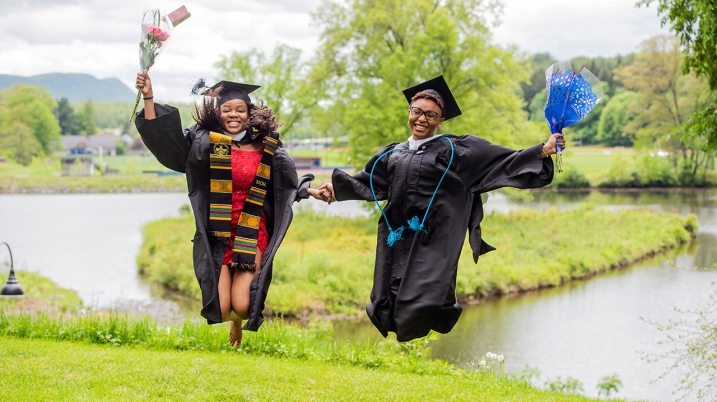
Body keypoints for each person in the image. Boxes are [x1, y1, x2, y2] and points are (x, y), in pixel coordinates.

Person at [319, 76, 563, 342]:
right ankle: (397, 328)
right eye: (417, 112)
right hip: (397, 236)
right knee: (387, 291)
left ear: (440, 121)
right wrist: (335, 189)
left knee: (424, 294)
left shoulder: (455, 150)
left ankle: (428, 321)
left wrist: (542, 150)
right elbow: (369, 181)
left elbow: (502, 160)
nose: (422, 119)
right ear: (409, 112)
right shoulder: (393, 153)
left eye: (431, 115)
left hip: (432, 239)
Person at [134, 70, 325, 347]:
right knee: (221, 309)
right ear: (217, 113)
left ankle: (240, 321)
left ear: (250, 114)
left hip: (250, 230)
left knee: (245, 307)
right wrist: (149, 96)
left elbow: (284, 183)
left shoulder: (266, 146)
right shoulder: (205, 142)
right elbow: (168, 144)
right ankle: (231, 320)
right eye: (227, 109)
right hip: (218, 234)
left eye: (240, 109)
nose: (233, 115)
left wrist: (309, 190)